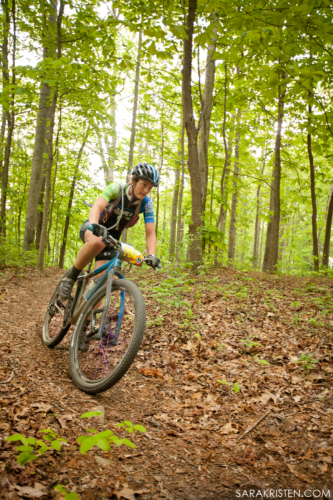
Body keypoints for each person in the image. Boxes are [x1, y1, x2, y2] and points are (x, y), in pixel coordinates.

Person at [59, 162, 161, 300]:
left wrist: (152, 255)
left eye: (150, 187)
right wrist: (95, 224)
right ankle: (70, 279)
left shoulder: (146, 203)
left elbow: (150, 232)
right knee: (98, 241)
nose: (146, 190)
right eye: (144, 184)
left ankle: (84, 320)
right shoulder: (115, 189)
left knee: (103, 282)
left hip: (112, 239)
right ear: (133, 180)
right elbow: (97, 206)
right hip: (93, 227)